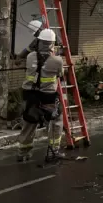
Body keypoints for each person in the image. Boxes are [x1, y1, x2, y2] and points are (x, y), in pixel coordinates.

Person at [16, 28, 65, 163]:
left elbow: (32, 55)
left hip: (30, 95)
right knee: (56, 121)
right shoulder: (57, 60)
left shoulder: (30, 56)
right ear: (52, 44)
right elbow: (60, 75)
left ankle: (23, 152)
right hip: (48, 96)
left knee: (29, 122)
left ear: (39, 42)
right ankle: (54, 151)